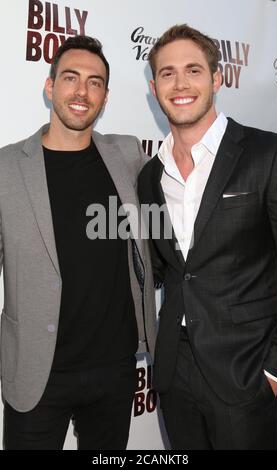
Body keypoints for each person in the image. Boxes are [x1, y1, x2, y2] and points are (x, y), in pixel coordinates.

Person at [0, 35, 156, 450]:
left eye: (95, 82)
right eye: (70, 78)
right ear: (50, 87)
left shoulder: (127, 155)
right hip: (37, 371)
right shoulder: (6, 167)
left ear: (105, 97)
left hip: (115, 370)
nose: (82, 92)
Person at [138, 24, 277, 450]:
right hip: (174, 370)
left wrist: (274, 369)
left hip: (247, 370)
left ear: (217, 79)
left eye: (193, 70)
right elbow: (168, 268)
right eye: (167, 73)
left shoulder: (267, 154)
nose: (180, 84)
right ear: (154, 87)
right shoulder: (150, 175)